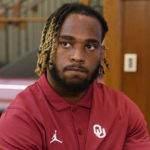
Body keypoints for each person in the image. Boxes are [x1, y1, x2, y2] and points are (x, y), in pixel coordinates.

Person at [0, 3, 150, 150]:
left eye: (90, 47)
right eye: (66, 44)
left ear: (101, 54)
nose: (78, 57)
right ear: (48, 47)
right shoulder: (21, 117)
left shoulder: (124, 110)